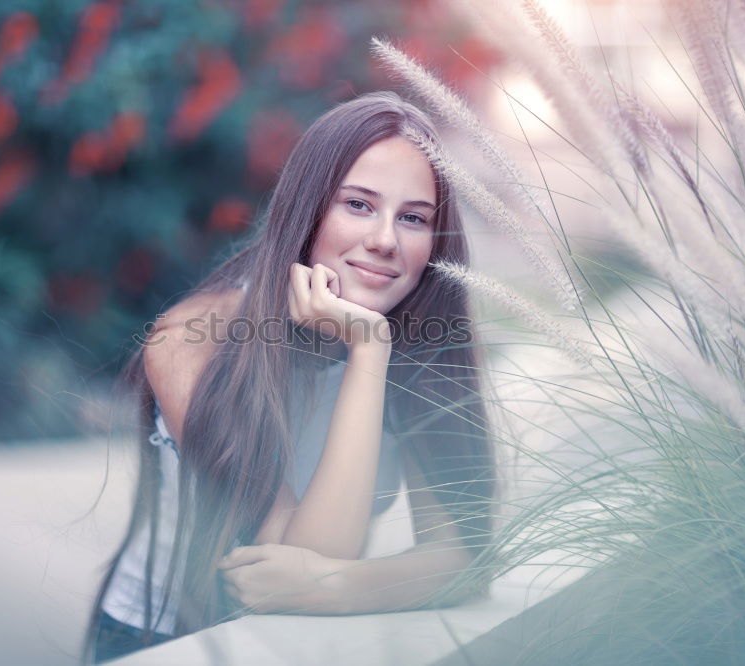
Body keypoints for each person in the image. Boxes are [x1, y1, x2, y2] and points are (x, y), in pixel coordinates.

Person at [84, 90, 495, 664]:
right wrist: (369, 349)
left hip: (307, 643)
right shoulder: (192, 340)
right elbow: (292, 558)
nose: (384, 239)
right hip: (164, 642)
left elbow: (463, 556)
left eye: (413, 218)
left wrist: (342, 586)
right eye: (357, 205)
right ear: (308, 210)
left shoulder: (420, 343)